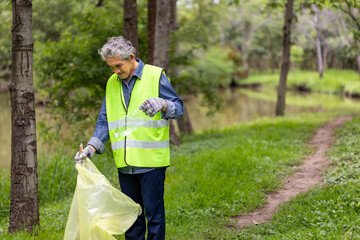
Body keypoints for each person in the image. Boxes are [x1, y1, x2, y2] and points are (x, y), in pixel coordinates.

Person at [74, 36, 184, 240]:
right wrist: (92, 147)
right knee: (132, 217)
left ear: (131, 57)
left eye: (118, 65)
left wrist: (164, 105)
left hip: (152, 162)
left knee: (154, 218)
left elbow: (179, 108)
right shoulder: (112, 83)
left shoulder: (155, 75)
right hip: (125, 164)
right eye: (111, 67)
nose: (115, 71)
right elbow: (104, 120)